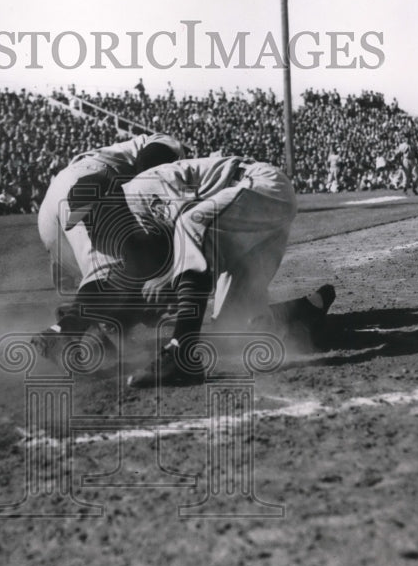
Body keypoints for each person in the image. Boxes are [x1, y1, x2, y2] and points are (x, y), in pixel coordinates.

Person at [69, 155, 335, 387]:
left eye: (90, 216)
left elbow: (193, 224)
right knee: (233, 329)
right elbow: (189, 254)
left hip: (260, 187)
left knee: (191, 224)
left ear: (108, 203)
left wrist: (166, 280)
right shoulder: (128, 222)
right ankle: (308, 311)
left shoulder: (141, 192)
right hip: (248, 215)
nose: (89, 227)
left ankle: (182, 355)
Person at [35, 132, 187, 296]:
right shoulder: (172, 150)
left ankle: (84, 310)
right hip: (86, 182)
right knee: (113, 277)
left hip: (48, 217)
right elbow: (153, 156)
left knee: (118, 284)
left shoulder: (124, 148)